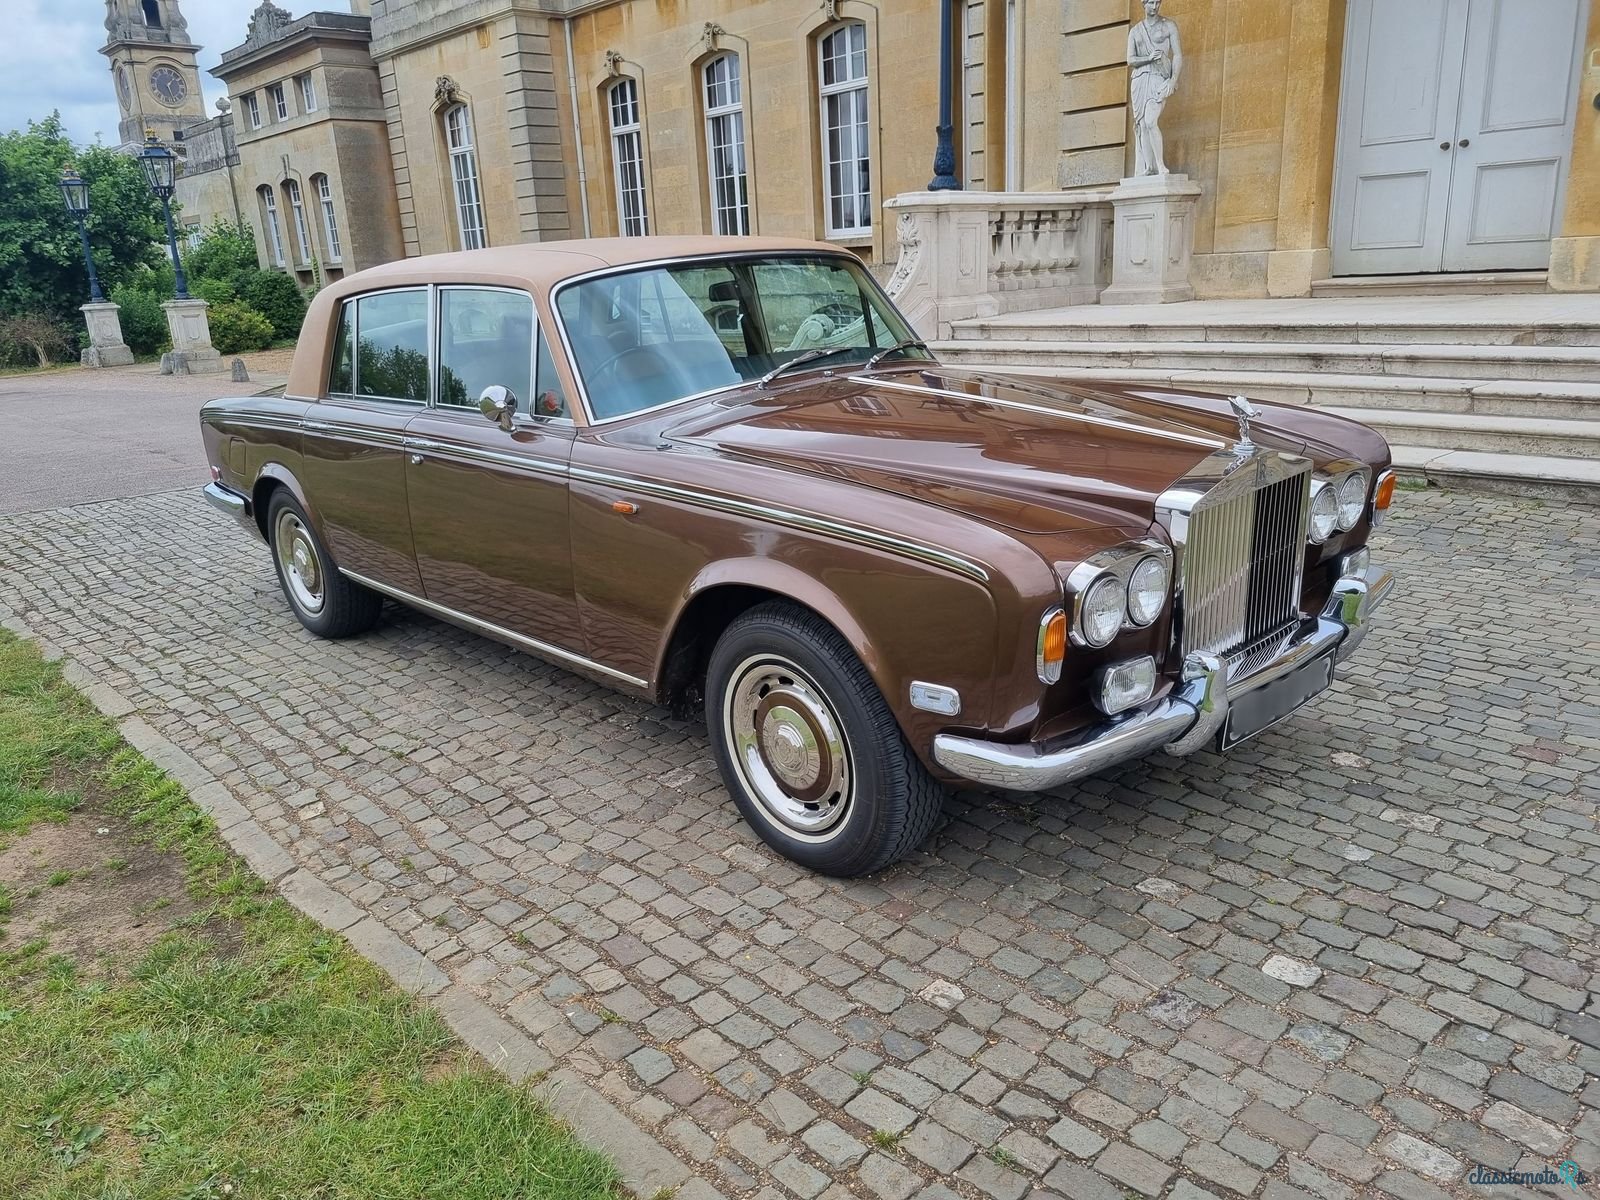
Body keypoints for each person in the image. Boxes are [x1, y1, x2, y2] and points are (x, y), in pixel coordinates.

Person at [1127, 0, 1182, 176]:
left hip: (1159, 77)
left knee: (1151, 121)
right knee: (1142, 124)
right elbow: (1130, 60)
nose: (1155, 6)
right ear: (1144, 4)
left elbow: (1178, 54)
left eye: (1158, 2)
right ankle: (1149, 167)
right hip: (1140, 79)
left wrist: (1173, 80)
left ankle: (1160, 165)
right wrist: (1148, 58)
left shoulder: (1168, 26)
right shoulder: (1135, 31)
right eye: (1151, 2)